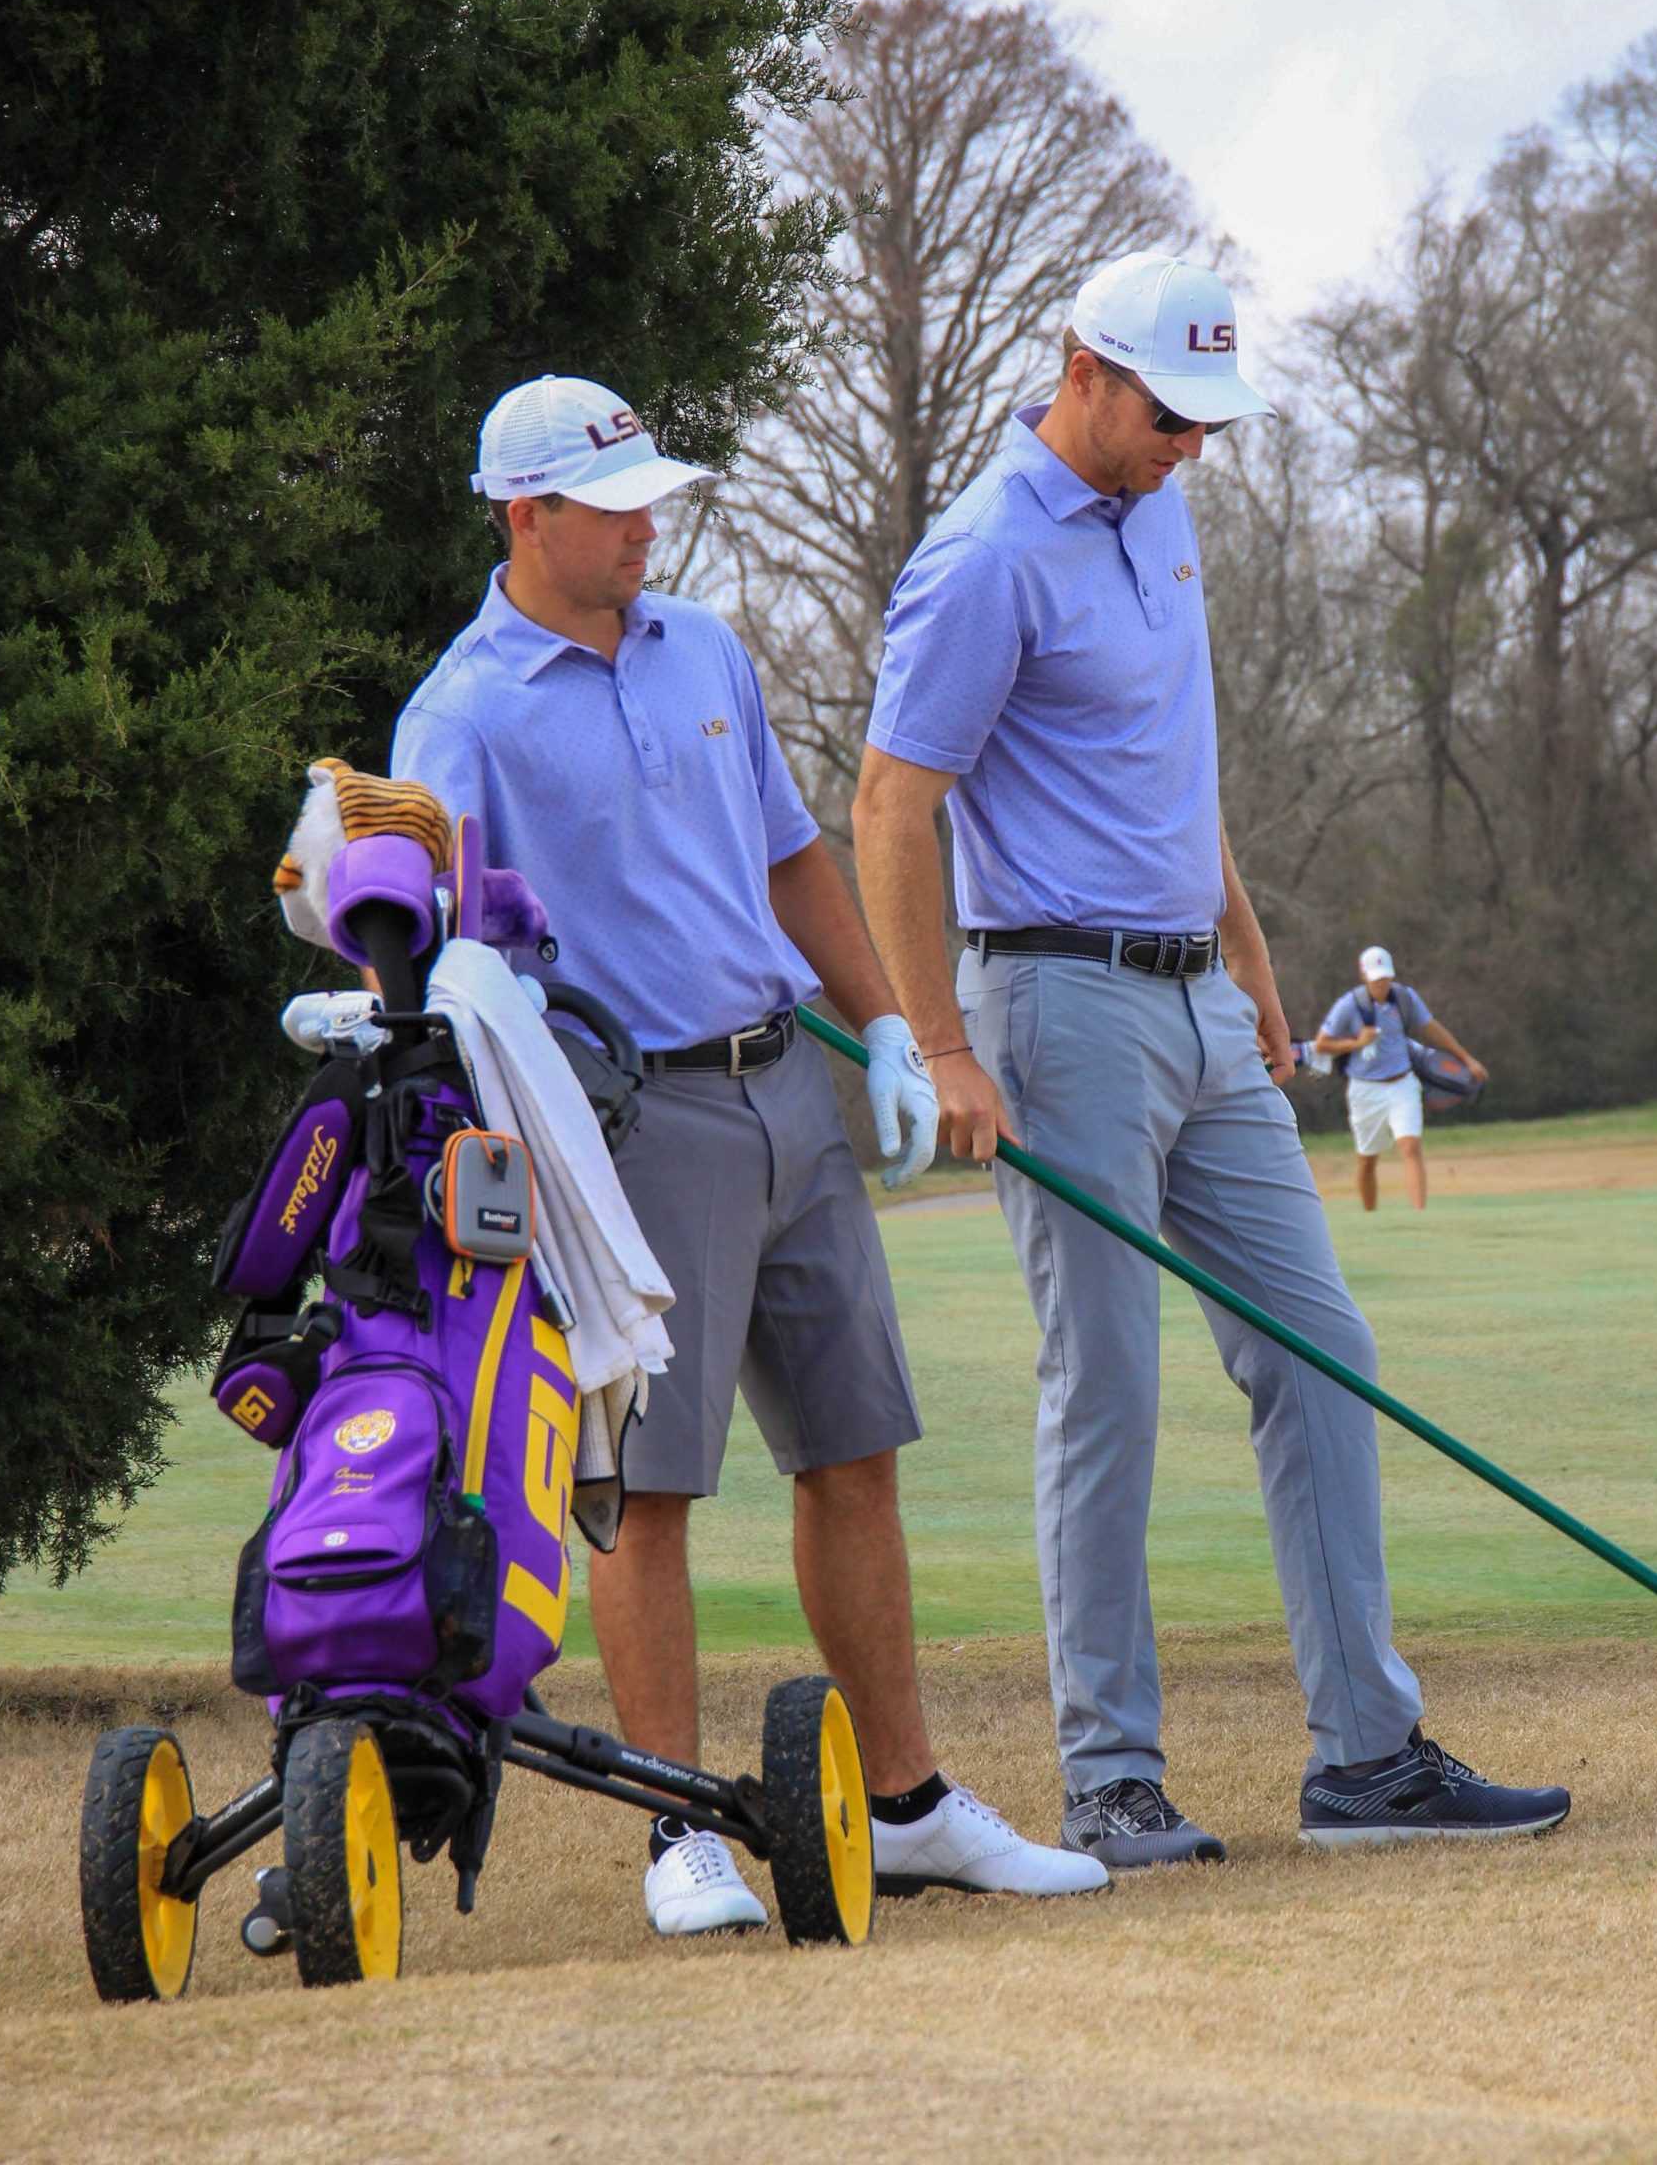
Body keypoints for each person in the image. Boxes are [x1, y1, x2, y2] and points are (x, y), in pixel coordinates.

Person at [853, 254, 1569, 1861]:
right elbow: (891, 804)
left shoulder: (1159, 511)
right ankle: (1109, 1777)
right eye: (1170, 416)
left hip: (1196, 999)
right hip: (1052, 1008)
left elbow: (1165, 768)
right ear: (1081, 369)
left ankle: (1365, 1762)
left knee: (1318, 1352)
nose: (1191, 447)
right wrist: (940, 1045)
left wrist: (1244, 954)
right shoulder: (980, 558)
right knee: (1103, 1387)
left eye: (1209, 424)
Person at [392, 373, 1108, 1935]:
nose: (649, 523)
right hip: (631, 1124)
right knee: (646, 1487)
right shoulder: (458, 714)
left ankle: (906, 1803)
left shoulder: (702, 644)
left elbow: (791, 856)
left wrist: (900, 1034)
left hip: (790, 1093)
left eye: (654, 496)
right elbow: (434, 953)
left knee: (854, 1451)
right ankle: (679, 1833)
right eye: (617, 503)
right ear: (528, 517)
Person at [1313, 945, 1487, 1212]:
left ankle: (1419, 1215)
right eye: (1376, 979)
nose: (1381, 983)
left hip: (1402, 1084)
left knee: (1410, 1146)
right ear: (1364, 976)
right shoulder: (1349, 1005)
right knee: (1367, 1159)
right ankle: (1371, 1216)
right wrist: (1357, 1043)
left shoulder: (1405, 999)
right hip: (1365, 1089)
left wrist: (1466, 1059)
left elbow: (1433, 1030)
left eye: (1385, 977)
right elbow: (1322, 1044)